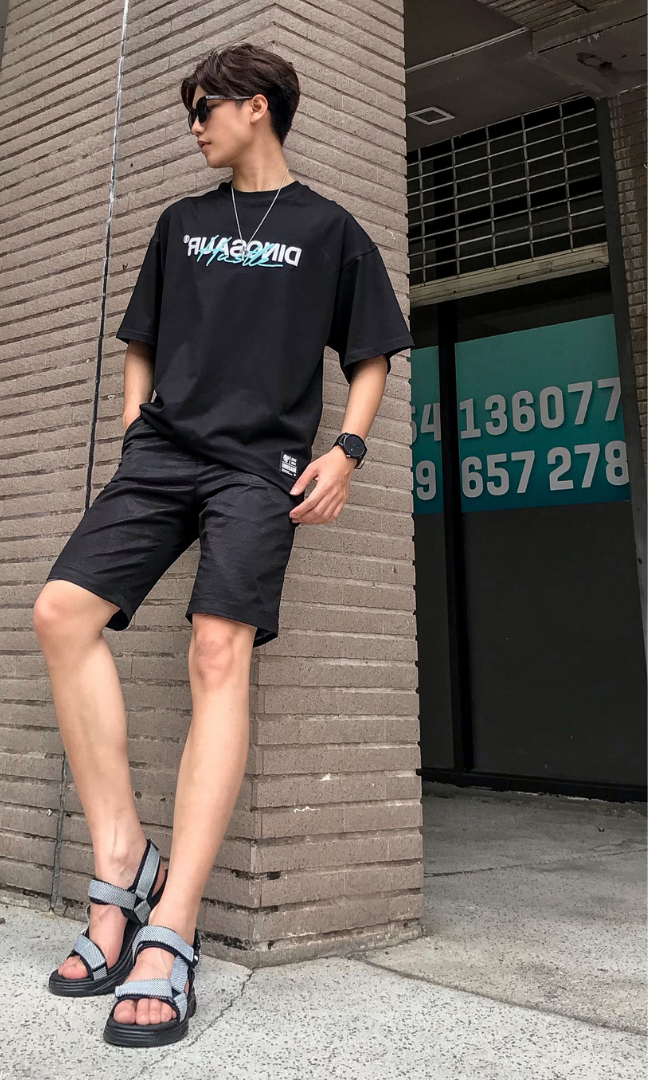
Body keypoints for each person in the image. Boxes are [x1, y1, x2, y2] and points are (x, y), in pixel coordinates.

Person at [32, 42, 414, 1048]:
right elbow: (142, 338)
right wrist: (133, 427)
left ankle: (170, 927)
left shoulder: (330, 229)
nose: (194, 125)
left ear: (257, 107)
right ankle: (123, 856)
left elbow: (371, 352)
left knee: (216, 649)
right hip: (162, 454)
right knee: (61, 614)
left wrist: (347, 450)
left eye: (204, 107)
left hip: (261, 469)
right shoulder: (181, 222)